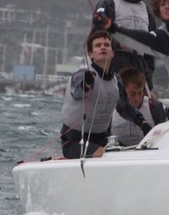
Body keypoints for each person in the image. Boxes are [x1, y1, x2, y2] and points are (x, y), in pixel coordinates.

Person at [59, 30, 152, 158]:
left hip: (101, 138)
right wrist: (86, 85)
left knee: (127, 154)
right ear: (91, 54)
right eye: (98, 45)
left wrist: (143, 123)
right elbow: (77, 92)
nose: (103, 47)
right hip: (75, 140)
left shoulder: (116, 80)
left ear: (113, 53)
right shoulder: (81, 75)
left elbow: (124, 108)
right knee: (107, 154)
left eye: (107, 45)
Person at [91, 0, 157, 82]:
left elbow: (151, 49)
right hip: (114, 70)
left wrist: (148, 79)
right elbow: (96, 37)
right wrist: (118, 43)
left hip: (139, 73)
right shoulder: (109, 3)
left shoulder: (147, 12)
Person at [112, 67, 167, 147]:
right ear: (122, 92)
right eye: (132, 94)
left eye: (140, 93)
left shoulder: (155, 108)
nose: (137, 99)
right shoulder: (110, 108)